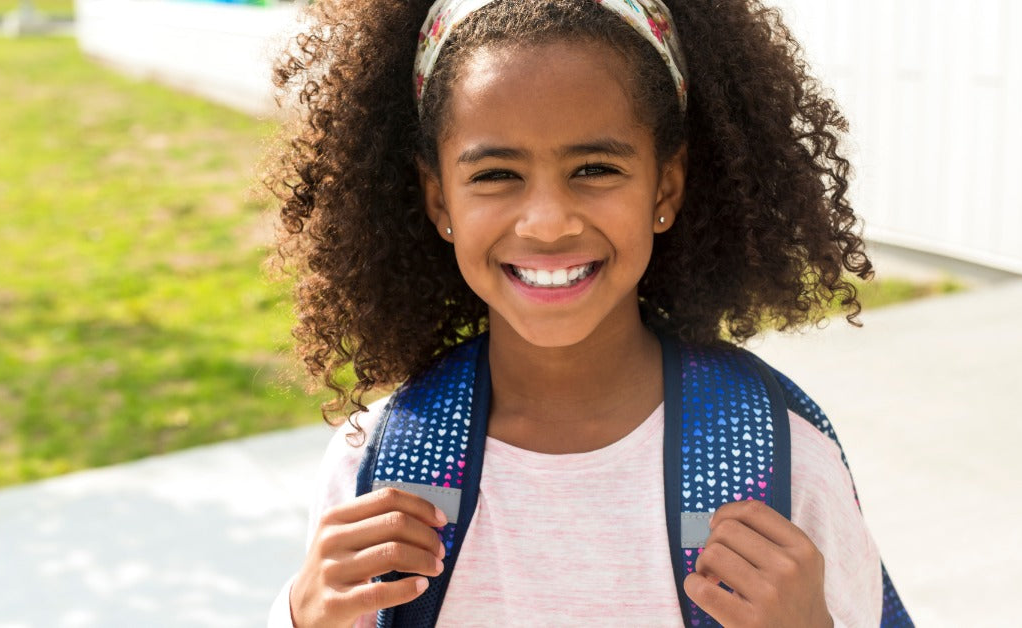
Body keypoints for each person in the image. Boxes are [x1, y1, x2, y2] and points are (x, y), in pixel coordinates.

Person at [264, 0, 900, 626]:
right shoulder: (382, 466)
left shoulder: (774, 454)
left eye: (595, 168)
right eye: (495, 174)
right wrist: (303, 616)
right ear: (439, 199)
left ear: (666, 186)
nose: (547, 223)